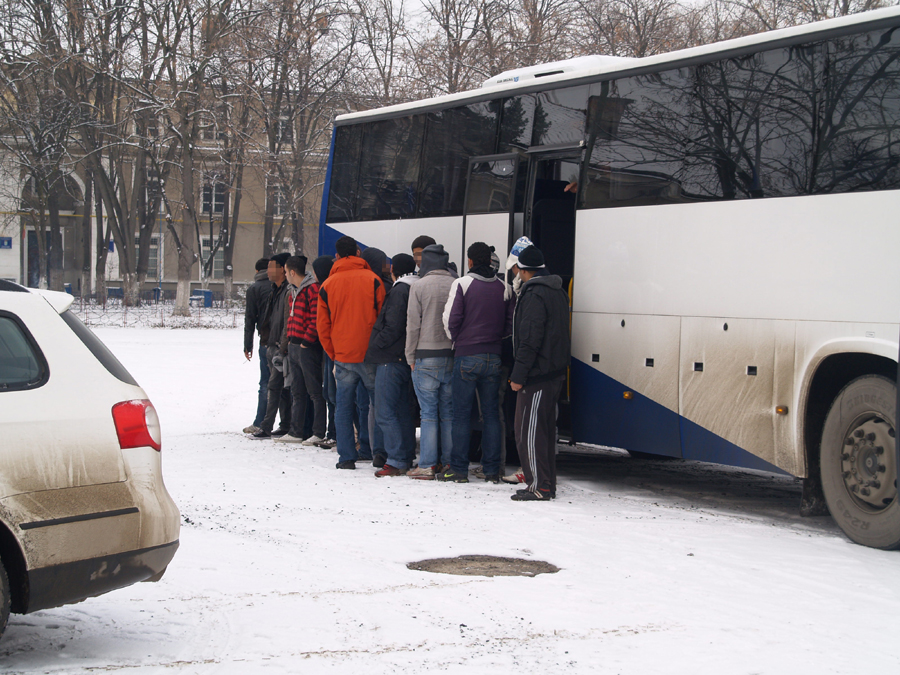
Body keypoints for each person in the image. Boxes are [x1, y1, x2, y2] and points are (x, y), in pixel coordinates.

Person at [441, 242, 515, 483]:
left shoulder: (461, 284)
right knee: (492, 414)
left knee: (461, 415)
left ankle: (459, 470)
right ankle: (492, 469)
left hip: (466, 355)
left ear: (470, 261)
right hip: (494, 357)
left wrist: (459, 341)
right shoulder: (504, 287)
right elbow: (509, 324)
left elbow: (451, 320)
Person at [508, 245, 571, 500]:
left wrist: (518, 375)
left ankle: (539, 486)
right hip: (554, 372)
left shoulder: (534, 294)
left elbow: (530, 339)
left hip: (537, 374)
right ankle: (547, 484)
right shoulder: (557, 291)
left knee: (529, 432)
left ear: (523, 271)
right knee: (543, 432)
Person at [317, 236, 386, 469]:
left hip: (343, 355)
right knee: (377, 406)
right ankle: (378, 453)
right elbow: (381, 319)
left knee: (343, 408)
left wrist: (333, 352)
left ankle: (346, 457)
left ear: (336, 255)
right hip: (369, 355)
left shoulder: (328, 284)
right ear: (358, 253)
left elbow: (322, 326)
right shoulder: (374, 280)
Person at [405, 243, 456, 480]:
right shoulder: (456, 283)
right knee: (447, 412)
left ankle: (426, 464)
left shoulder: (419, 285)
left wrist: (410, 356)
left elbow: (413, 325)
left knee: (428, 414)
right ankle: (449, 462)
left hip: (425, 356)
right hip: (452, 356)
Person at [366, 253, 418, 477]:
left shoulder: (398, 291)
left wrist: (375, 345)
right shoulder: (415, 288)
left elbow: (393, 325)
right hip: (407, 358)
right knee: (403, 411)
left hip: (391, 358)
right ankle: (405, 456)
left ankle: (396, 459)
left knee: (385, 411)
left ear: (395, 270)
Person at [276, 255, 327, 445]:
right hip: (294, 345)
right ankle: (296, 431)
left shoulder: (312, 289)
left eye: (286, 271)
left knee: (314, 391)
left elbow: (315, 318)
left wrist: (306, 341)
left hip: (306, 347)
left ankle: (319, 431)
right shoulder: (293, 291)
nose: (285, 275)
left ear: (291, 272)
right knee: (296, 390)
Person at [251, 252, 292, 438]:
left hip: (280, 346)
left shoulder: (287, 291)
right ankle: (285, 424)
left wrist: (282, 346)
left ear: (282, 269)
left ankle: (266, 426)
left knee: (274, 386)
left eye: (271, 267)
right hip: (271, 344)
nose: (267, 271)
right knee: (281, 389)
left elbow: (286, 321)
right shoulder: (275, 289)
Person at [243, 258, 273, 434]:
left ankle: (260, 421)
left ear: (257, 271)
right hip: (283, 341)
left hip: (265, 341)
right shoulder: (280, 286)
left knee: (265, 383)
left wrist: (248, 345)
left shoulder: (254, 289)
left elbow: (250, 319)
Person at [312, 255, 337, 449]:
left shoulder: (326, 289)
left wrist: (329, 349)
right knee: (330, 393)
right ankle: (332, 432)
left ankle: (334, 433)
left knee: (333, 394)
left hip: (333, 350)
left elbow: (322, 324)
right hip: (331, 349)